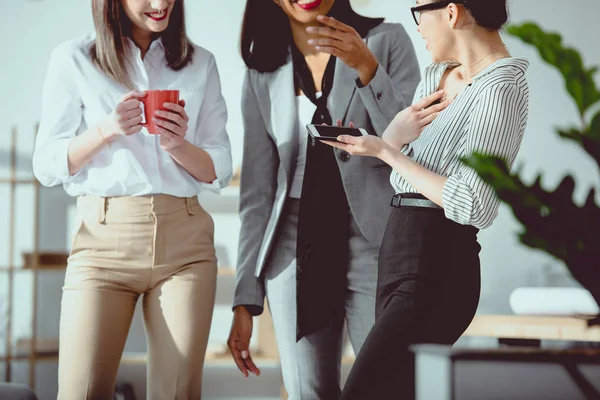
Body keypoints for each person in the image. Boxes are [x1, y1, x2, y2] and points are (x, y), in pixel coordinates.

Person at [324, 0, 530, 398]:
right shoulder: (438, 75)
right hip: (398, 249)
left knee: (362, 392)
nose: (415, 23)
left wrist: (388, 151)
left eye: (418, 9)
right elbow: (408, 176)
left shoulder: (500, 87)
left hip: (439, 263)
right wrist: (394, 138)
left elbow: (474, 203)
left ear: (451, 13)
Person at [32, 0, 232, 398]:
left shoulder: (201, 63)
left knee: (177, 393)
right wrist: (106, 129)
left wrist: (176, 144)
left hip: (185, 244)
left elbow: (219, 168)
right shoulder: (74, 59)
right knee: (80, 393)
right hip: (103, 242)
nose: (161, 5)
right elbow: (46, 164)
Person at [226, 0, 421, 398]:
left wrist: (367, 68)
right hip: (294, 246)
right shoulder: (263, 70)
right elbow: (257, 194)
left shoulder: (386, 42)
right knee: (307, 393)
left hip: (374, 240)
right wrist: (246, 297)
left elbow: (416, 149)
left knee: (383, 387)